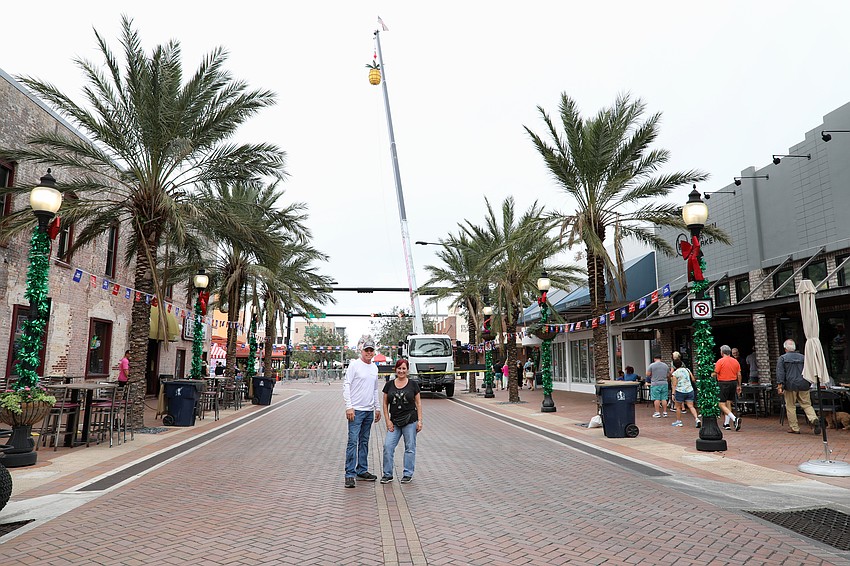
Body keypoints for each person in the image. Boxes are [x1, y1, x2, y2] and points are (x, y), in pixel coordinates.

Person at [342, 338, 382, 488]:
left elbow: (375, 389)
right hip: (356, 411)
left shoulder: (374, 368)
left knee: (364, 441)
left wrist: (377, 408)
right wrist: (349, 406)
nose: (369, 353)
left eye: (371, 350)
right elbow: (346, 385)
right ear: (361, 351)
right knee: (353, 441)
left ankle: (362, 470)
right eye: (367, 350)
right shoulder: (354, 365)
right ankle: (349, 474)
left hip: (368, 411)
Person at [380, 359, 422, 484]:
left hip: (410, 420)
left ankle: (407, 473)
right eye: (399, 368)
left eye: (404, 368)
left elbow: (418, 403)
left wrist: (420, 420)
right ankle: (387, 474)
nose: (401, 371)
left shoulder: (413, 384)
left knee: (410, 447)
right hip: (394, 421)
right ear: (395, 370)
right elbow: (385, 403)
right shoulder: (389, 384)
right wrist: (387, 421)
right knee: (388, 446)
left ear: (407, 370)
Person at [777, 339, 820, 434]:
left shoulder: (782, 358)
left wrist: (780, 385)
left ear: (785, 349)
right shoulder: (803, 357)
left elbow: (780, 373)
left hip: (790, 385)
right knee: (807, 404)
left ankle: (794, 428)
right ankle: (813, 419)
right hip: (804, 383)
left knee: (790, 406)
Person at [713, 345, 742, 431]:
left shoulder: (720, 361)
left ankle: (734, 419)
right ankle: (726, 423)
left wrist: (710, 374)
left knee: (721, 404)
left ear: (722, 352)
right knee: (728, 402)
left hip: (723, 383)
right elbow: (739, 374)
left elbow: (715, 373)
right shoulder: (735, 361)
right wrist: (739, 385)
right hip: (733, 382)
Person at [670, 358, 701, 428]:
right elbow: (693, 379)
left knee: (678, 407)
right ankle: (697, 419)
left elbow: (674, 384)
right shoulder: (687, 370)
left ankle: (679, 421)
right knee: (691, 406)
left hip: (680, 391)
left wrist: (673, 393)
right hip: (689, 390)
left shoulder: (675, 373)